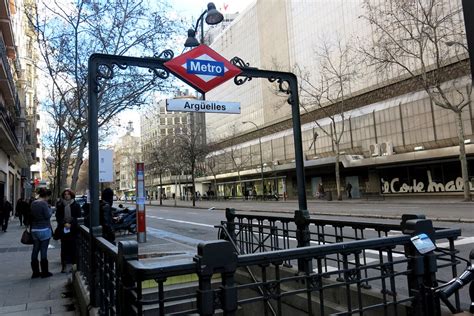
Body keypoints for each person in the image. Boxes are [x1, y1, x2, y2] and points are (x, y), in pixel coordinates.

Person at [55, 189, 81, 273]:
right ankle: (64, 265)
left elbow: (78, 217)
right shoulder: (60, 205)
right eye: (65, 194)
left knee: (73, 248)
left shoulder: (76, 205)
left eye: (68, 194)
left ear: (71, 195)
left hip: (73, 230)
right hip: (64, 229)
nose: (66, 196)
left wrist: (71, 223)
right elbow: (58, 217)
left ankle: (74, 265)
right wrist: (64, 223)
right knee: (64, 248)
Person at [30, 188, 53, 278]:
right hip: (44, 229)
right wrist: (50, 209)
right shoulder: (44, 204)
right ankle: (44, 272)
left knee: (35, 250)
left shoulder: (33, 203)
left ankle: (35, 272)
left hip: (34, 230)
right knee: (43, 250)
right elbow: (47, 216)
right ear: (46, 196)